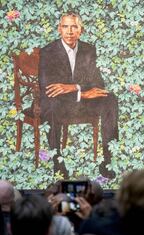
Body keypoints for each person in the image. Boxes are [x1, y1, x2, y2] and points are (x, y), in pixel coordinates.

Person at [39, 12, 118, 179]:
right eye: (65, 27)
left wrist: (74, 88)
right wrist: (82, 92)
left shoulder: (89, 49)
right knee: (51, 105)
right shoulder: (48, 51)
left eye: (74, 27)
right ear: (59, 29)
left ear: (80, 30)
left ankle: (107, 160)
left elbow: (97, 83)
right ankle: (57, 163)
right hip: (57, 102)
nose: (69, 31)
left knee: (110, 99)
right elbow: (51, 88)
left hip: (79, 100)